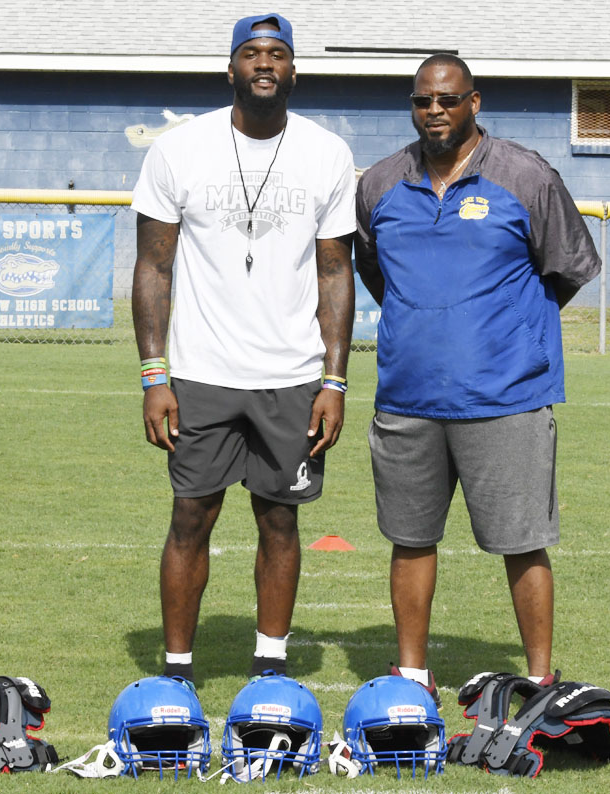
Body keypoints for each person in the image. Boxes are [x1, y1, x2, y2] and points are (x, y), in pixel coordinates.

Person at [355, 54, 600, 703]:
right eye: (423, 101)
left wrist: (507, 328)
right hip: (408, 397)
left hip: (506, 397)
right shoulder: (380, 183)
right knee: (410, 539)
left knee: (523, 543)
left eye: (448, 99)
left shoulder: (525, 175)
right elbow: (377, 274)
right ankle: (412, 677)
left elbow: (570, 268)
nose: (434, 111)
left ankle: (540, 681)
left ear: (474, 102)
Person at [131, 12, 355, 689]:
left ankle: (270, 664)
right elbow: (153, 268)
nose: (264, 63)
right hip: (201, 373)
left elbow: (335, 272)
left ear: (294, 72)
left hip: (291, 375)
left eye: (277, 54)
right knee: (189, 517)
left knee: (279, 520)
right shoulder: (179, 149)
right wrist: (154, 375)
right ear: (230, 67)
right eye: (252, 53)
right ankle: (176, 670)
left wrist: (334, 380)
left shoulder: (327, 153)